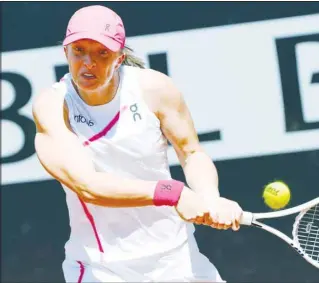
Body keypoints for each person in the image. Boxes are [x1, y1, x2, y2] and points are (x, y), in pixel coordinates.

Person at [32, 5, 243, 282]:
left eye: (102, 53)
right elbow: (88, 185)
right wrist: (174, 192)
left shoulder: (155, 89)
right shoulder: (52, 107)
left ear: (119, 58)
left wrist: (210, 198)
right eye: (79, 50)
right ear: (66, 53)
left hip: (178, 260)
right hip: (101, 269)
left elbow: (192, 153)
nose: (88, 63)